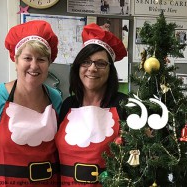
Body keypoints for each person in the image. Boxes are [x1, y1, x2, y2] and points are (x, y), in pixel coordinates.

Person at [0, 20, 62, 187]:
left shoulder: (56, 99)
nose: (34, 65)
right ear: (16, 61)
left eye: (41, 59)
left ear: (49, 63)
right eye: (27, 58)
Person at [55, 23, 128, 187]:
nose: (92, 68)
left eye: (101, 63)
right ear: (78, 67)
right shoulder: (68, 105)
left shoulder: (124, 105)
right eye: (86, 62)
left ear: (110, 71)